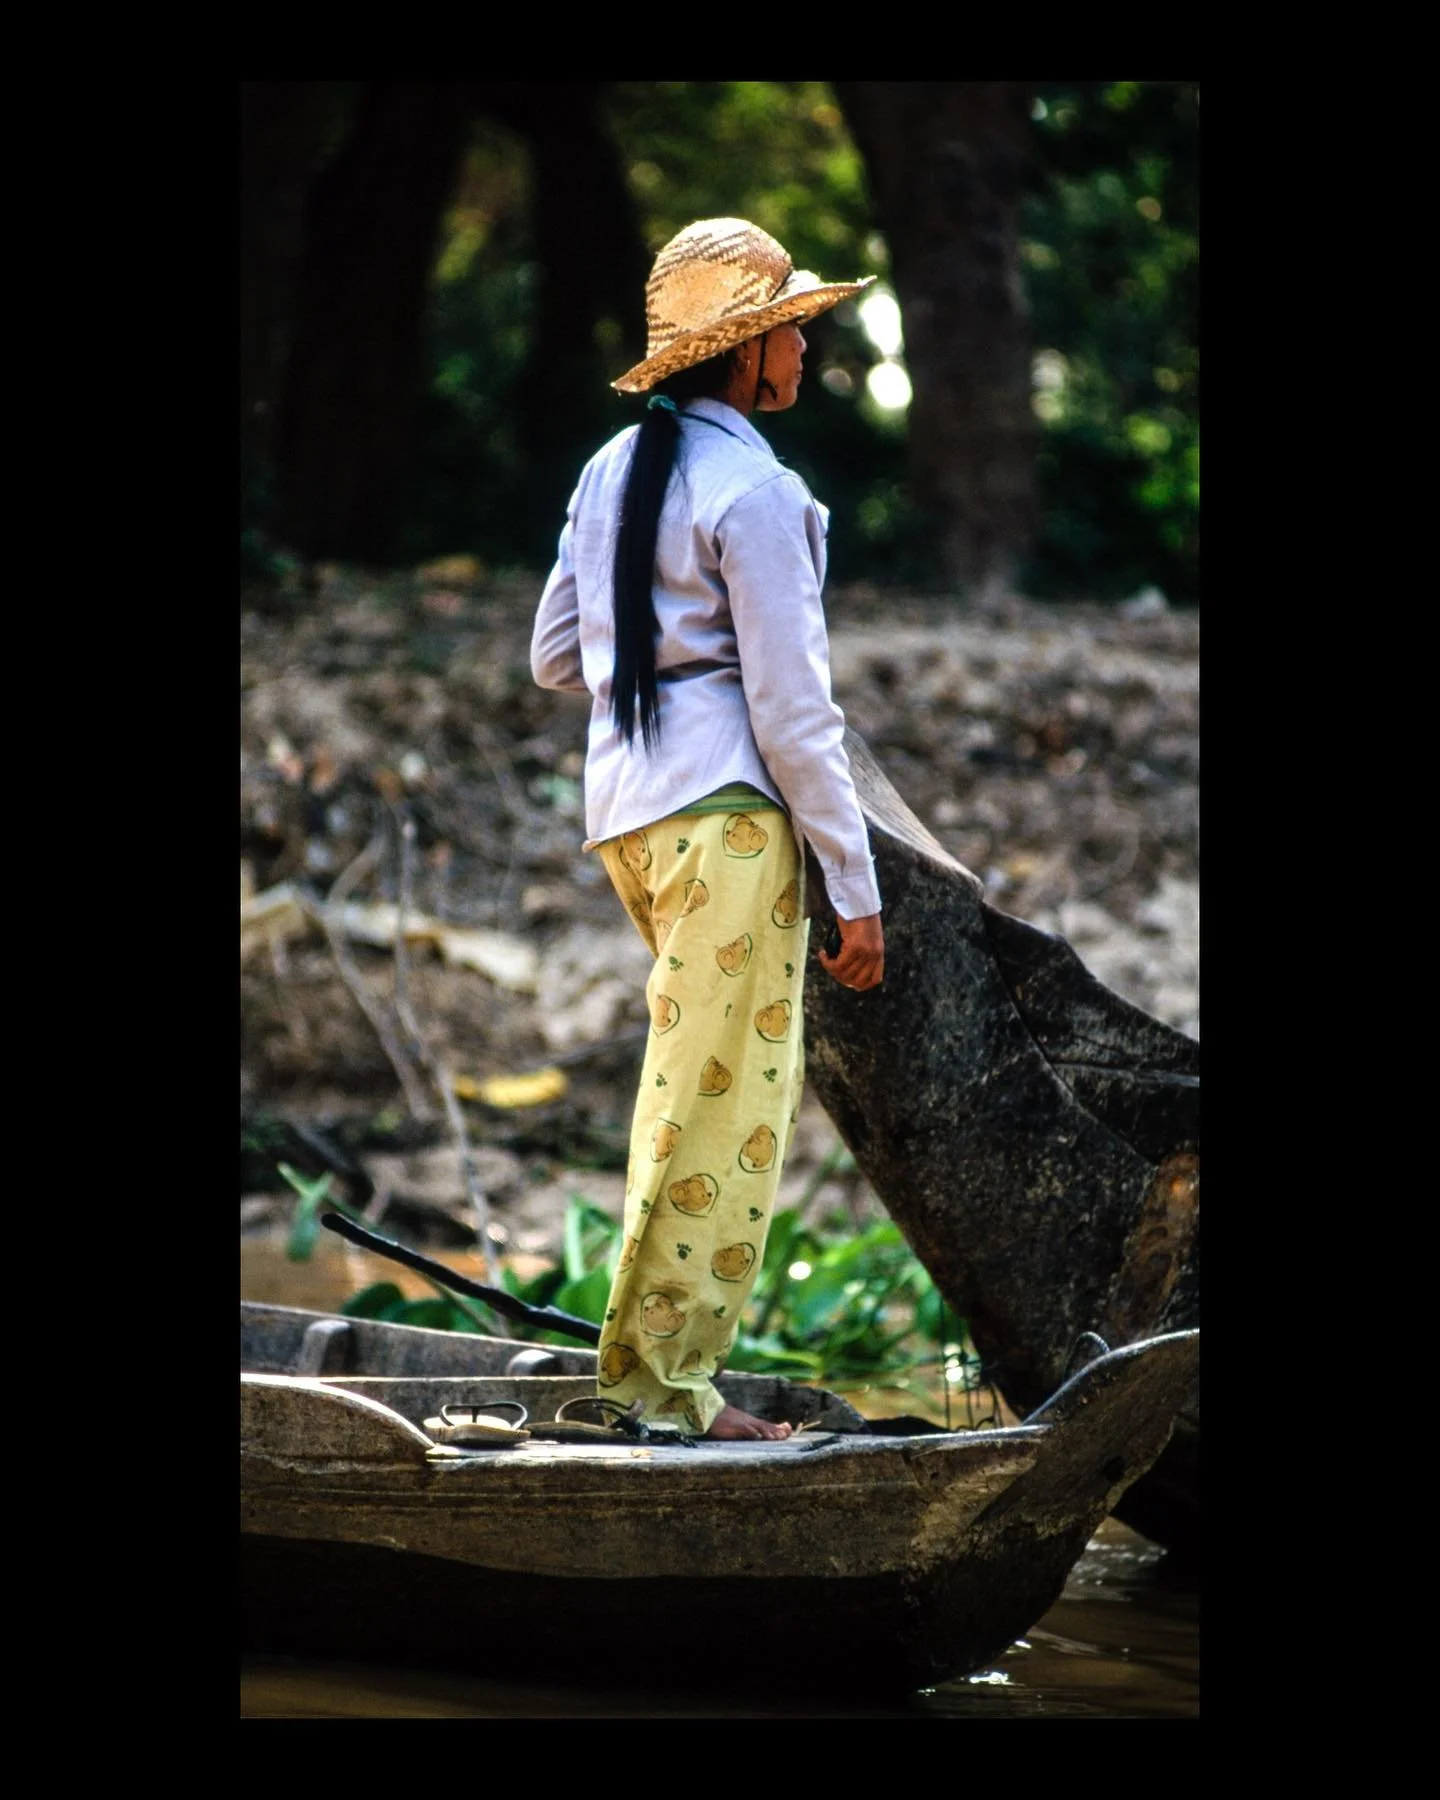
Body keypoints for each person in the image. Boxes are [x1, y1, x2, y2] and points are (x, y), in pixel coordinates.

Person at [531, 217, 885, 1442]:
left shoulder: (607, 472)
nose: (805, 348)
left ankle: (654, 1378)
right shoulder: (762, 493)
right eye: (793, 328)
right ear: (746, 355)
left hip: (631, 821)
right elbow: (797, 717)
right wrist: (859, 888)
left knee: (688, 1095)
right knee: (722, 1117)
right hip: (732, 829)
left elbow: (556, 657)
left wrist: (665, 670)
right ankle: (665, 1394)